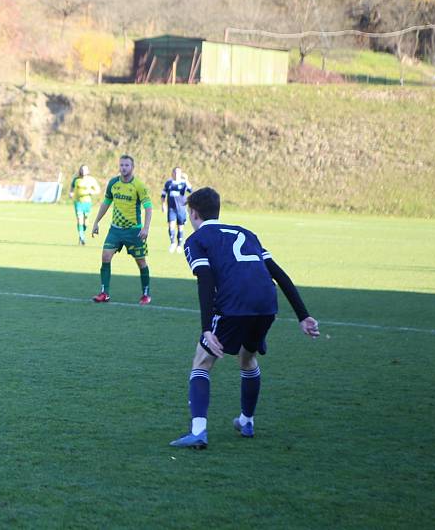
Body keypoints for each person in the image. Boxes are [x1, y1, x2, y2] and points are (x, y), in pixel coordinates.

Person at [170, 187, 319, 449]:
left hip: (234, 304)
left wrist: (207, 329)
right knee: (247, 358)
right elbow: (278, 274)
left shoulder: (196, 240)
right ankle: (247, 420)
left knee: (202, 361)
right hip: (266, 304)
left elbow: (205, 281)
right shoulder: (245, 233)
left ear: (193, 213)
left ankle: (198, 431)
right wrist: (303, 315)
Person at [91, 155, 153, 305]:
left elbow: (148, 208)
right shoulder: (113, 183)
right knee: (105, 257)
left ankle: (146, 294)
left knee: (141, 262)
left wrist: (145, 228)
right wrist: (96, 222)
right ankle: (104, 293)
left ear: (132, 167)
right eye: (121, 165)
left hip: (134, 231)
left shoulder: (139, 186)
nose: (123, 168)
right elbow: (106, 203)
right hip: (115, 230)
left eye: (126, 165)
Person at [161, 167, 192, 253]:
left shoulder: (183, 183)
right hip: (171, 208)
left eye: (178, 173)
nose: (176, 174)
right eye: (175, 172)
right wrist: (163, 205)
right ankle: (172, 243)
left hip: (181, 209)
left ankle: (179, 245)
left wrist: (187, 180)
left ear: (181, 173)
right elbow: (163, 194)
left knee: (180, 227)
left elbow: (190, 190)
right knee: (171, 225)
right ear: (172, 173)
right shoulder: (168, 183)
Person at [69, 165, 100, 245]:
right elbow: (72, 188)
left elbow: (97, 190)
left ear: (88, 171)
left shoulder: (91, 180)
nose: (83, 171)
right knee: (80, 219)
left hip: (87, 203)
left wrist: (91, 192)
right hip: (78, 202)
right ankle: (82, 237)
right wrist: (71, 193)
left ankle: (82, 234)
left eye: (85, 170)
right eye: (82, 170)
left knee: (86, 223)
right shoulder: (76, 179)